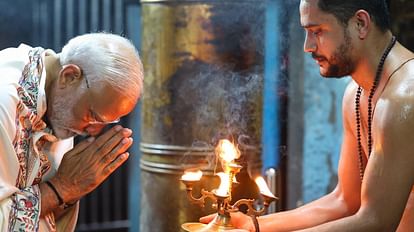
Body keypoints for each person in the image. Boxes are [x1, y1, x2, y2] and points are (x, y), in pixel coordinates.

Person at [201, 0, 414, 231]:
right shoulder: (355, 94)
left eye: (317, 32)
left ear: (360, 23)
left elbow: (376, 222)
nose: (308, 46)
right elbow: (344, 200)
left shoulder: (403, 101)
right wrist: (253, 225)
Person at [0, 32, 143, 231]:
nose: (93, 131)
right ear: (69, 76)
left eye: (107, 122)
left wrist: (71, 191)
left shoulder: (58, 100)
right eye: (93, 115)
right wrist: (62, 187)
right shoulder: (5, 101)